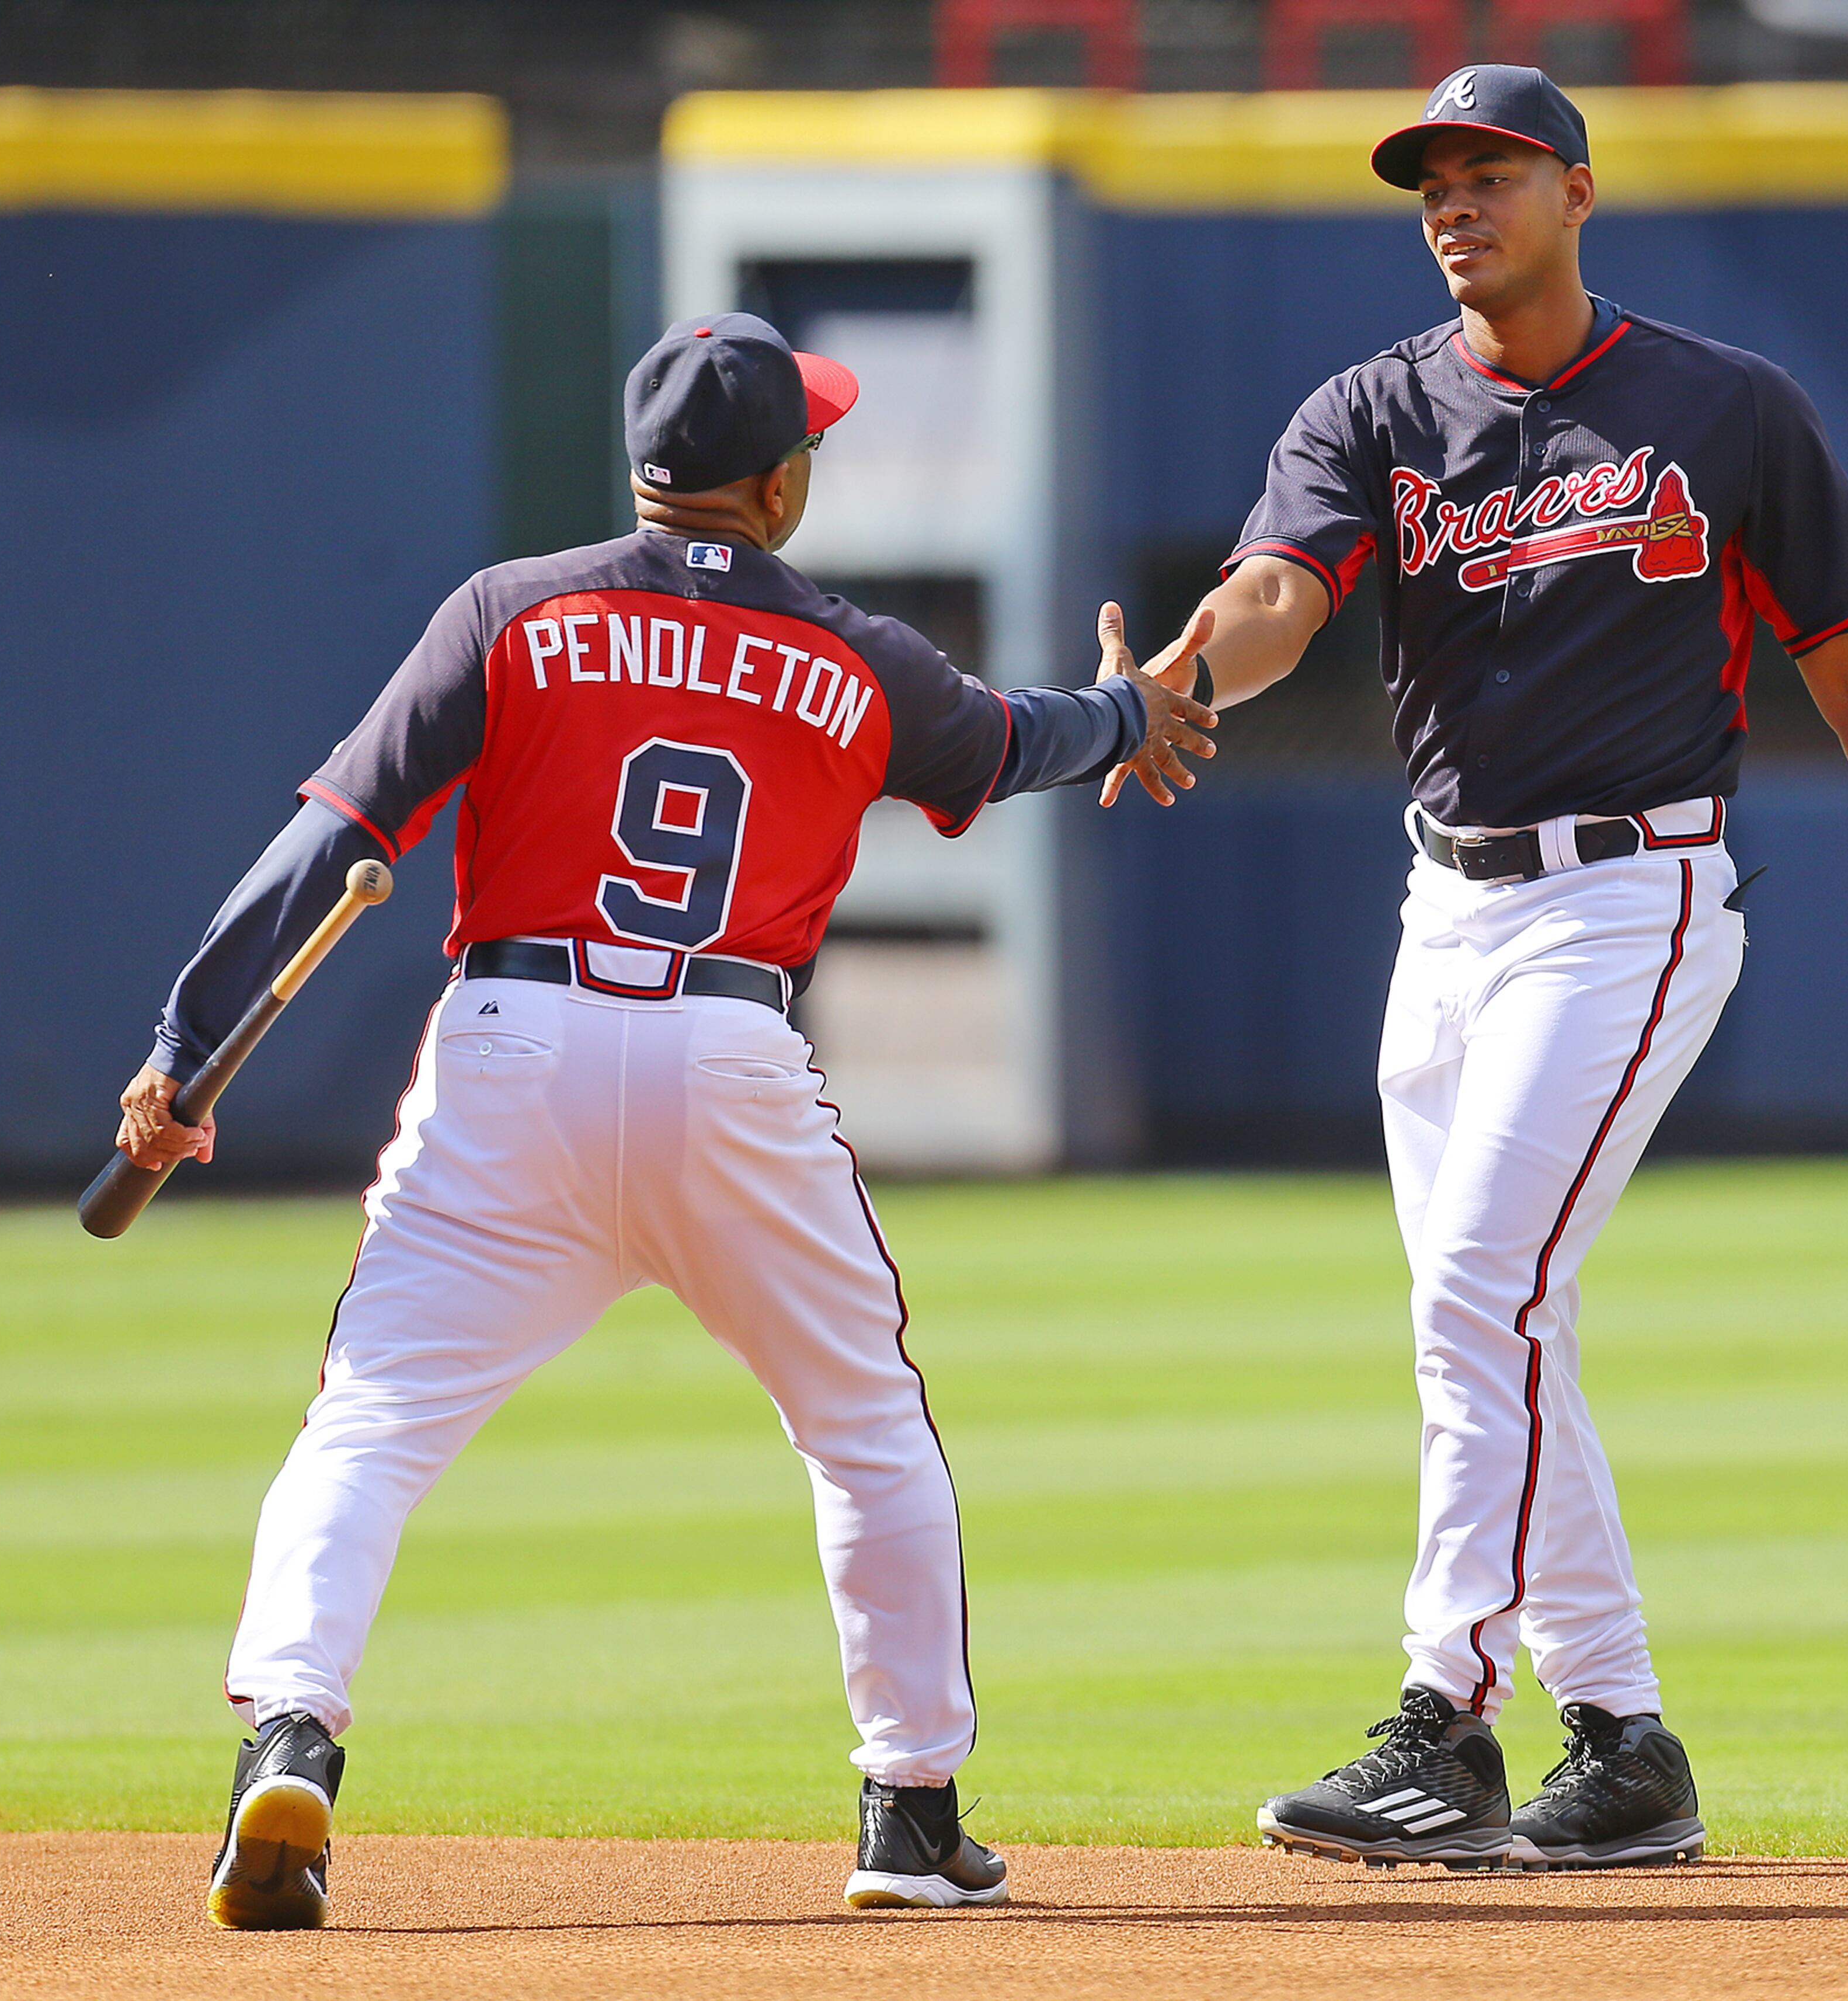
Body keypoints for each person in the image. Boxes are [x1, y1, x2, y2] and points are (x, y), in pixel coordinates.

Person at [114, 312, 1216, 1927]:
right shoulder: (856, 654)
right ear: (775, 490)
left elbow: (327, 842)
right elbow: (1017, 738)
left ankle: (290, 1731)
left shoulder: (508, 611)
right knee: (866, 1425)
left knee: (373, 1420)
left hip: (514, 1041)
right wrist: (1130, 714)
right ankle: (910, 1811)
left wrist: (184, 1052)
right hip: (727, 1051)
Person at [1099, 65, 1848, 1871]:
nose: (1454, 200)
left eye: (1491, 168)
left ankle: (1444, 1720)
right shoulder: (1373, 409)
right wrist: (1185, 680)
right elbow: (1283, 595)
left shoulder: (1724, 407)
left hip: (1635, 901)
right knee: (1500, 1325)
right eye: (1430, 179)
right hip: (1441, 915)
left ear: (1578, 190)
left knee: (1478, 1289)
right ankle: (1622, 1741)